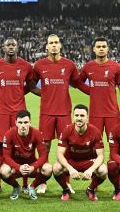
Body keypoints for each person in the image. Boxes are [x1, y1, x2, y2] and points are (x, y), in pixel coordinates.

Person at [33, 34, 89, 193]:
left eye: (56, 42)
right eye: (51, 43)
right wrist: (43, 93)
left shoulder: (69, 65)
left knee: (66, 147)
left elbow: (77, 83)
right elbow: (31, 84)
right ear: (46, 46)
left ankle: (66, 181)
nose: (54, 45)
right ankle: (42, 180)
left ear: (60, 45)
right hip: (46, 112)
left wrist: (96, 92)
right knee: (45, 146)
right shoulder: (39, 65)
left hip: (64, 112)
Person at [0, 37, 39, 194]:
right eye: (8, 45)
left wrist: (52, 93)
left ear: (18, 46)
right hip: (1, 112)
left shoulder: (26, 66)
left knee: (24, 147)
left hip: (19, 112)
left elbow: (32, 87)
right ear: (3, 47)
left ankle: (26, 184)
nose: (11, 47)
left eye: (14, 44)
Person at [79, 37, 120, 194]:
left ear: (108, 49)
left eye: (103, 46)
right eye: (98, 46)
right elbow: (78, 82)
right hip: (94, 115)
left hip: (112, 114)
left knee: (117, 148)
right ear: (93, 49)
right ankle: (96, 181)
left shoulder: (115, 67)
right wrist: (91, 91)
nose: (101, 49)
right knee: (94, 149)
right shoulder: (88, 67)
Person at [53, 104, 107, 201]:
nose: (79, 118)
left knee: (103, 171)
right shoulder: (67, 130)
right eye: (76, 115)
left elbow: (100, 155)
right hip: (72, 161)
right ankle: (66, 189)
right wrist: (70, 168)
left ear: (87, 118)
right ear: (73, 116)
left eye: (82, 116)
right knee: (56, 168)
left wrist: (91, 169)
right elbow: (59, 154)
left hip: (88, 161)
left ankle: (90, 189)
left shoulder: (95, 131)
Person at [1, 110, 52, 200]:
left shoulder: (37, 134)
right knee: (4, 171)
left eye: (25, 122)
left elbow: (43, 156)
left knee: (48, 169)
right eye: (20, 122)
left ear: (30, 122)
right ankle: (16, 187)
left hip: (31, 166)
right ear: (16, 122)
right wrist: (18, 167)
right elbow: (6, 156)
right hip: (16, 167)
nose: (23, 125)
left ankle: (32, 186)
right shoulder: (9, 134)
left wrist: (33, 167)